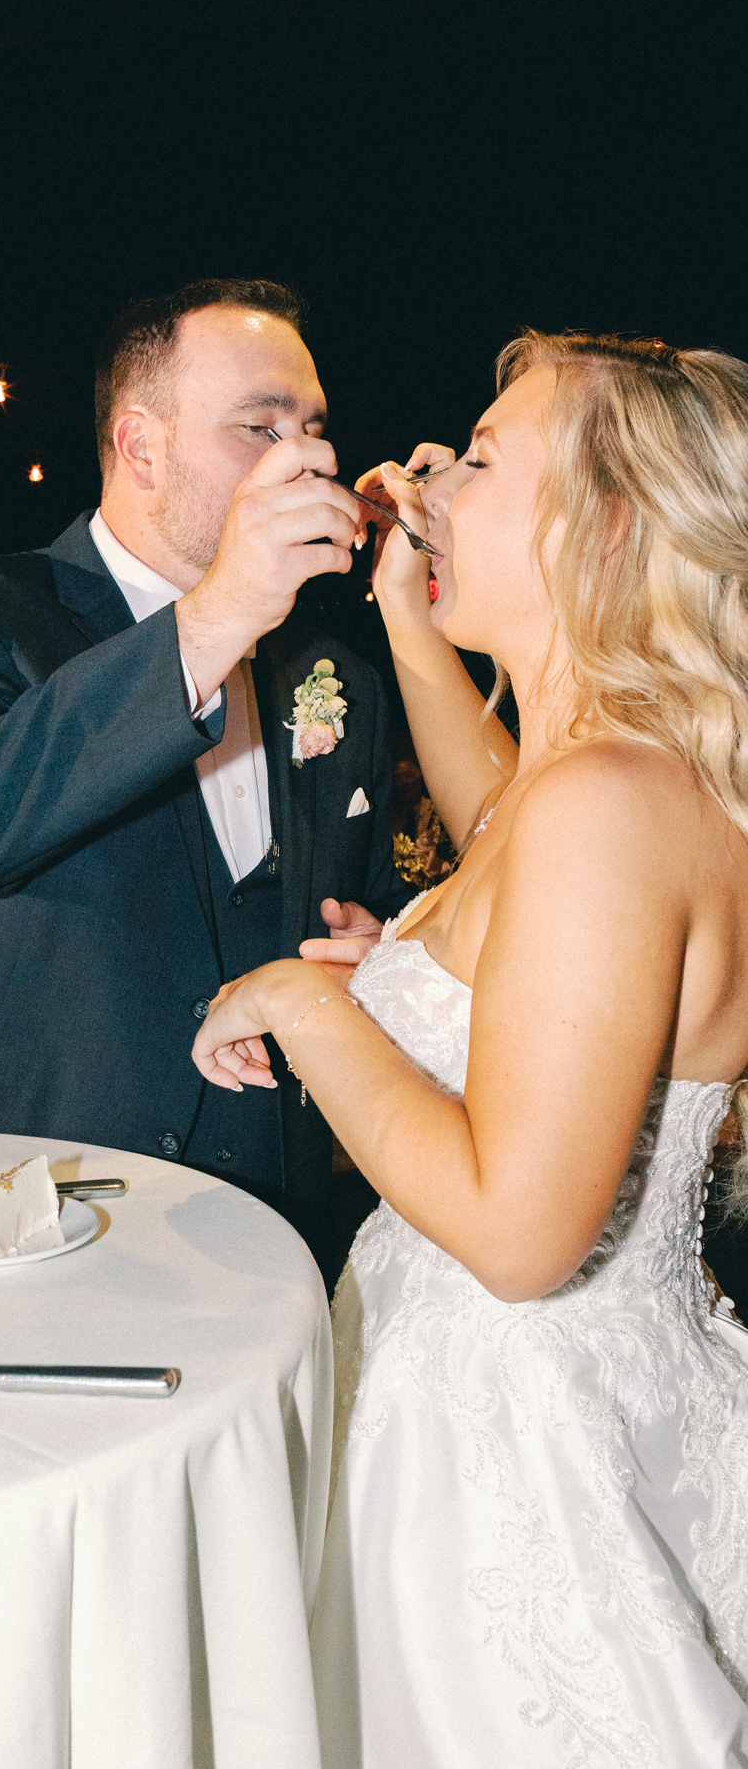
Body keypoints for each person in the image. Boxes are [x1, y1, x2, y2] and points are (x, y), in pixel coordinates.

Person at [193, 331, 748, 1764]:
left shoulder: (608, 801)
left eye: (484, 457)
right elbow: (503, 827)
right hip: (567, 1408)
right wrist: (410, 617)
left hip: (518, 1458)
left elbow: (517, 1233)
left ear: (609, 522)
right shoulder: (605, 774)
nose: (433, 480)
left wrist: (312, 1007)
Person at [0, 279, 407, 1283]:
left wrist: (385, 954)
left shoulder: (336, 675)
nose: (306, 460)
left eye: (312, 428)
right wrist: (218, 613)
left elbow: (367, 910)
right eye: (260, 427)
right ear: (141, 447)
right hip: (10, 1204)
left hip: (272, 1228)